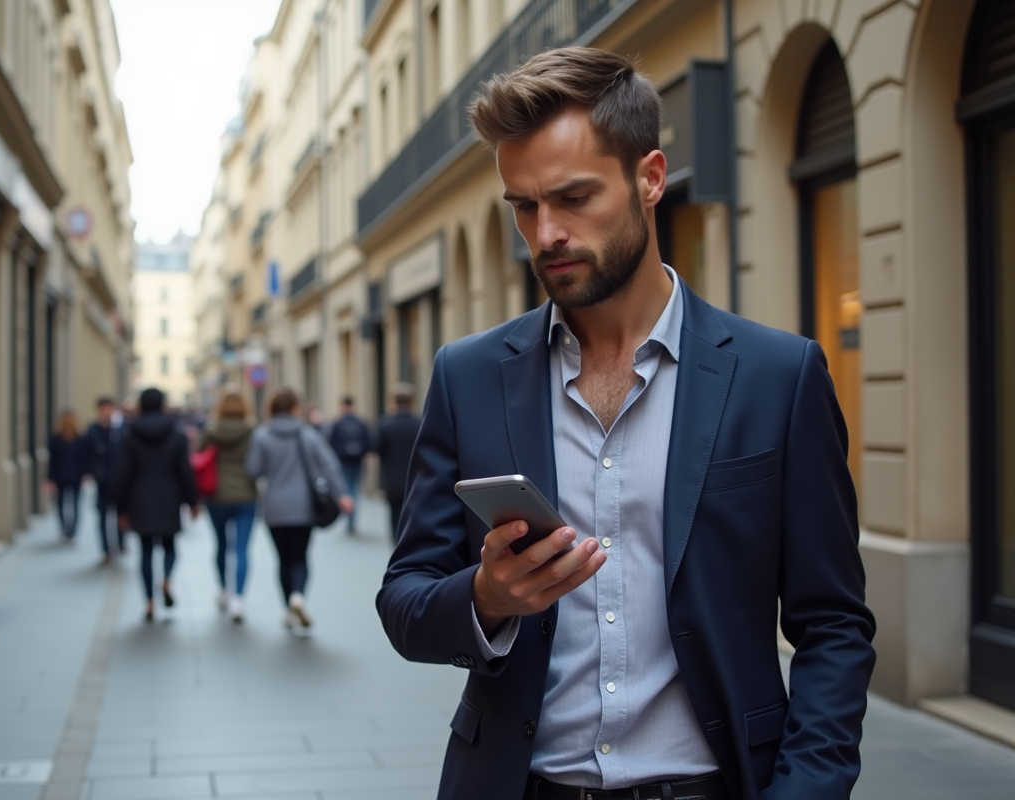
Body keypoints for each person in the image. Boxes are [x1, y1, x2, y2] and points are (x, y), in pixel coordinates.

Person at [376, 48, 876, 800]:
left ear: (650, 178)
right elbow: (405, 599)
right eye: (524, 206)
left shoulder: (779, 377)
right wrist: (486, 597)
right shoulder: (468, 376)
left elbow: (834, 624)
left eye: (574, 198)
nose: (546, 234)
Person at [245, 387, 352, 636]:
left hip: (274, 507)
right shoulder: (307, 434)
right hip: (303, 506)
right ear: (295, 408)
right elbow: (329, 464)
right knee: (301, 556)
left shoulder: (262, 436)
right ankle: (298, 597)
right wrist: (341, 494)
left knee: (283, 559)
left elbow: (252, 470)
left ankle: (288, 608)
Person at [115, 388, 199, 622]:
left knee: (146, 551)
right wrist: (192, 502)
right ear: (163, 405)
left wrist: (121, 508)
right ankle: (166, 579)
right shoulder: (177, 434)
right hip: (169, 499)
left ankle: (149, 602)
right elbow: (185, 472)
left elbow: (123, 474)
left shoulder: (130, 435)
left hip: (140, 499)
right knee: (170, 547)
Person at [197, 390, 257, 622]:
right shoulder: (252, 430)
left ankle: (223, 590)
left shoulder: (212, 429)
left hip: (217, 496)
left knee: (221, 545)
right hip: (246, 496)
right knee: (242, 549)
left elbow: (198, 456)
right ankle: (238, 600)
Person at [375, 384, 421, 543]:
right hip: (415, 480)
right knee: (413, 515)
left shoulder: (386, 424)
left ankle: (396, 544)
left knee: (395, 516)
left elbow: (378, 450)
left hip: (392, 480)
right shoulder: (419, 424)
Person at [84, 397, 123, 564]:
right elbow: (86, 452)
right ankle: (106, 550)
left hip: (119, 479)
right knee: (102, 515)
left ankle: (120, 543)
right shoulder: (93, 430)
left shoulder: (120, 429)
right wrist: (88, 472)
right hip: (101, 481)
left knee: (119, 513)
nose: (106, 412)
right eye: (103, 408)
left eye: (108, 408)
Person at [327, 396, 372, 534]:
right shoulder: (360, 422)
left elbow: (331, 443)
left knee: (346, 488)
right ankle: (352, 518)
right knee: (354, 488)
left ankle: (349, 517)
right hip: (357, 461)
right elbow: (367, 442)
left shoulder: (337, 423)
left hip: (342, 461)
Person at [47, 410, 88, 544]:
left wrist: (85, 474)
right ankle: (64, 529)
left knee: (76, 504)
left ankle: (73, 532)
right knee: (60, 504)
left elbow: (84, 458)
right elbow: (52, 460)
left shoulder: (81, 438)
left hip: (76, 476)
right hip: (60, 476)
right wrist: (50, 479)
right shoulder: (55, 438)